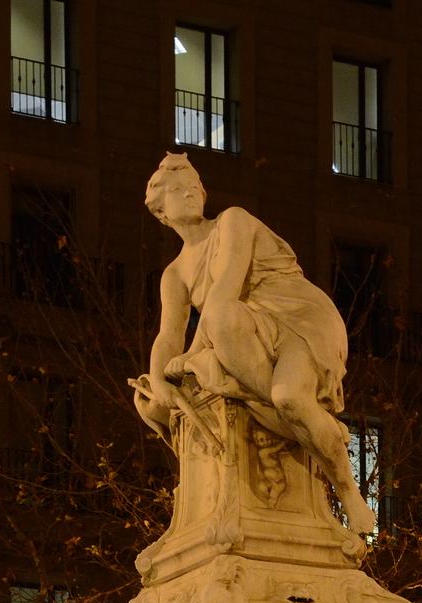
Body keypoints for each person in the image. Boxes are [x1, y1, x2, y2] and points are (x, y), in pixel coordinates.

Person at [138, 152, 376, 535]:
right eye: (177, 190)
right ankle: (302, 422)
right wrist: (158, 382)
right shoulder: (175, 273)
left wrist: (192, 357)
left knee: (233, 333)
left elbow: (225, 289)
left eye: (194, 186)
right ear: (160, 211)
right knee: (285, 398)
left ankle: (348, 491)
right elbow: (167, 335)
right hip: (244, 333)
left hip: (299, 320)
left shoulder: (233, 220)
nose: (190, 194)